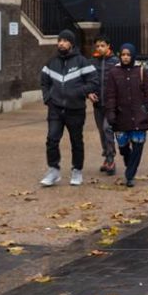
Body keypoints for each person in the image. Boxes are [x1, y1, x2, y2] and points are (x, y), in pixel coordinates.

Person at [40, 29, 98, 186]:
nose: (61, 43)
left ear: (71, 43)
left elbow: (93, 82)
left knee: (76, 141)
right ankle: (53, 170)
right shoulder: (51, 63)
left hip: (76, 109)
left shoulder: (82, 61)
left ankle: (77, 171)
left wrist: (78, 93)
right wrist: (48, 99)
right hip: (56, 109)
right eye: (59, 40)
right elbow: (44, 82)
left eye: (65, 41)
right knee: (52, 140)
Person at [102, 43, 148, 187]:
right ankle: (128, 162)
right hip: (121, 117)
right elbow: (111, 95)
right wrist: (111, 113)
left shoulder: (141, 71)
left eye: (128, 55)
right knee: (123, 147)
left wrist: (147, 108)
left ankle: (130, 175)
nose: (126, 57)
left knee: (138, 146)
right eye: (123, 55)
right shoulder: (114, 73)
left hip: (139, 117)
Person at [89, 37, 119, 174]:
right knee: (102, 131)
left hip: (111, 104)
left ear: (108, 46)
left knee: (108, 129)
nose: (100, 48)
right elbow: (88, 81)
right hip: (97, 104)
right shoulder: (93, 62)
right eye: (98, 46)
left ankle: (111, 159)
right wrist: (89, 93)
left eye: (102, 45)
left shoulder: (115, 62)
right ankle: (107, 157)